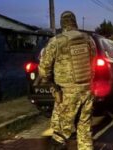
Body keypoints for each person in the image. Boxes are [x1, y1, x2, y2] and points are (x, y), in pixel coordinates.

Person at [38, 11, 95, 150]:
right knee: (84, 130)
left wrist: (50, 83)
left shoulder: (56, 41)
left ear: (62, 23)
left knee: (60, 133)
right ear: (74, 22)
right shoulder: (88, 39)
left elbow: (44, 70)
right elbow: (92, 60)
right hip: (87, 90)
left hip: (67, 93)